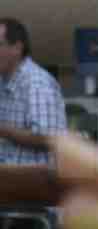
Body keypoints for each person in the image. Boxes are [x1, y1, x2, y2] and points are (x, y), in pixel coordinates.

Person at [0, 18, 67, 167]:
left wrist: (3, 130)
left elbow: (49, 138)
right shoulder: (4, 81)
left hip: (33, 185)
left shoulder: (37, 83)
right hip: (10, 181)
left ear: (17, 48)